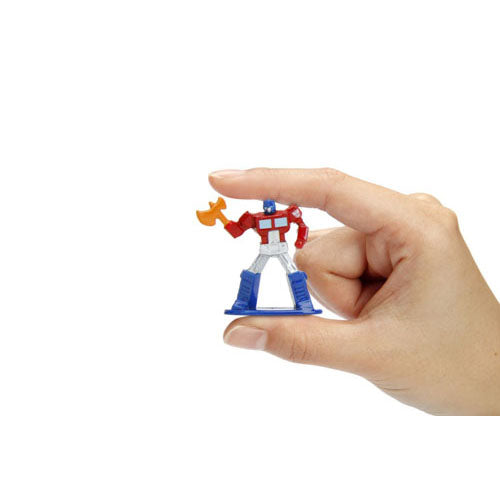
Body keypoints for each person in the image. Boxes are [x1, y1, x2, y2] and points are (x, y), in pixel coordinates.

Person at [209, 168, 500, 415]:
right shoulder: (256, 219)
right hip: (266, 249)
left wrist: (300, 238)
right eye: (267, 206)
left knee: (292, 272)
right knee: (255, 270)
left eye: (272, 204)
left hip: (282, 249)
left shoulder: (286, 215)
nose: (270, 208)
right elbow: (237, 228)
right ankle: (245, 300)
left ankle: (301, 303)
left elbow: (299, 222)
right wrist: (220, 217)